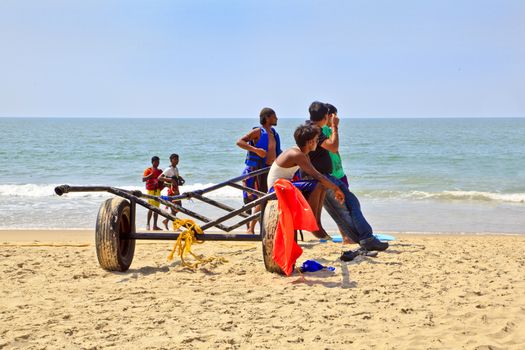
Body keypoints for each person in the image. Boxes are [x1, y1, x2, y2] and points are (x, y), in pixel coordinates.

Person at [303, 101, 388, 254]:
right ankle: (366, 239)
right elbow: (333, 147)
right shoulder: (315, 130)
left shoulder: (311, 128)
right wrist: (335, 126)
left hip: (321, 177)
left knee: (346, 207)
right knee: (347, 206)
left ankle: (365, 238)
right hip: (321, 178)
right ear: (325, 116)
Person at [266, 124, 345, 225]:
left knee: (321, 186)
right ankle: (310, 221)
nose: (318, 142)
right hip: (276, 188)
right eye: (317, 140)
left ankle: (316, 222)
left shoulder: (303, 153)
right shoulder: (297, 154)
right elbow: (318, 176)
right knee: (319, 184)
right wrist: (336, 189)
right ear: (310, 142)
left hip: (285, 185)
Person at [236, 107, 282, 233]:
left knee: (272, 197)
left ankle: (267, 227)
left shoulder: (274, 133)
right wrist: (256, 150)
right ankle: (251, 228)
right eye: (274, 116)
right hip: (261, 170)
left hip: (272, 169)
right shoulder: (258, 132)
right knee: (262, 199)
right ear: (267, 118)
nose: (277, 118)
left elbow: (277, 152)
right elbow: (239, 142)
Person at [159, 153, 185, 230]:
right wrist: (170, 180)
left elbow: (176, 177)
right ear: (171, 160)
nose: (177, 161)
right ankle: (175, 226)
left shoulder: (176, 169)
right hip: (172, 191)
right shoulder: (168, 169)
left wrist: (180, 179)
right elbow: (159, 178)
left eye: (178, 159)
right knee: (175, 208)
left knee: (178, 208)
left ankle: (166, 221)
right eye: (175, 159)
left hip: (177, 190)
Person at [142, 156, 163, 231]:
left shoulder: (160, 171)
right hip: (150, 191)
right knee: (150, 208)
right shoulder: (148, 170)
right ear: (152, 162)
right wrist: (150, 175)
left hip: (157, 191)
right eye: (156, 161)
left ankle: (155, 225)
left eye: (158, 162)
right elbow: (143, 179)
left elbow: (162, 181)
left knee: (157, 209)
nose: (157, 163)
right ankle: (148, 224)